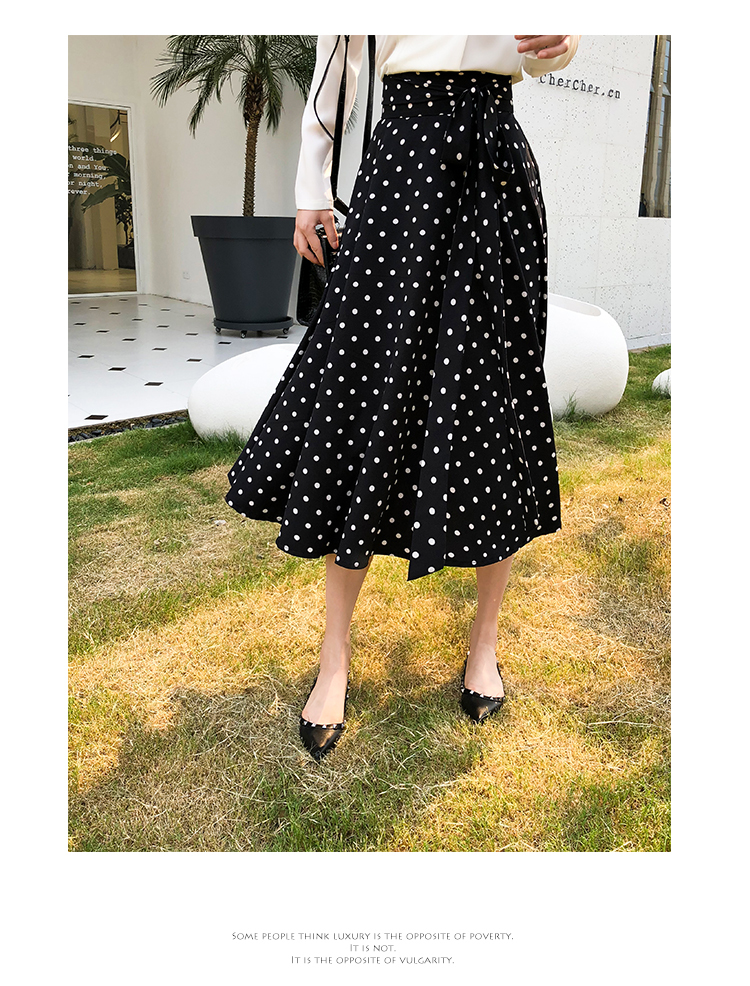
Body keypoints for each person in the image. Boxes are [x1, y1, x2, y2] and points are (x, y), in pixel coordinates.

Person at [225, 34, 580, 761]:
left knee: (496, 396)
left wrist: (566, 41)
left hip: (495, 161)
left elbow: (547, 46)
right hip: (405, 157)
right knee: (360, 390)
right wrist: (311, 189)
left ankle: (484, 642)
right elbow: (339, 56)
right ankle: (334, 657)